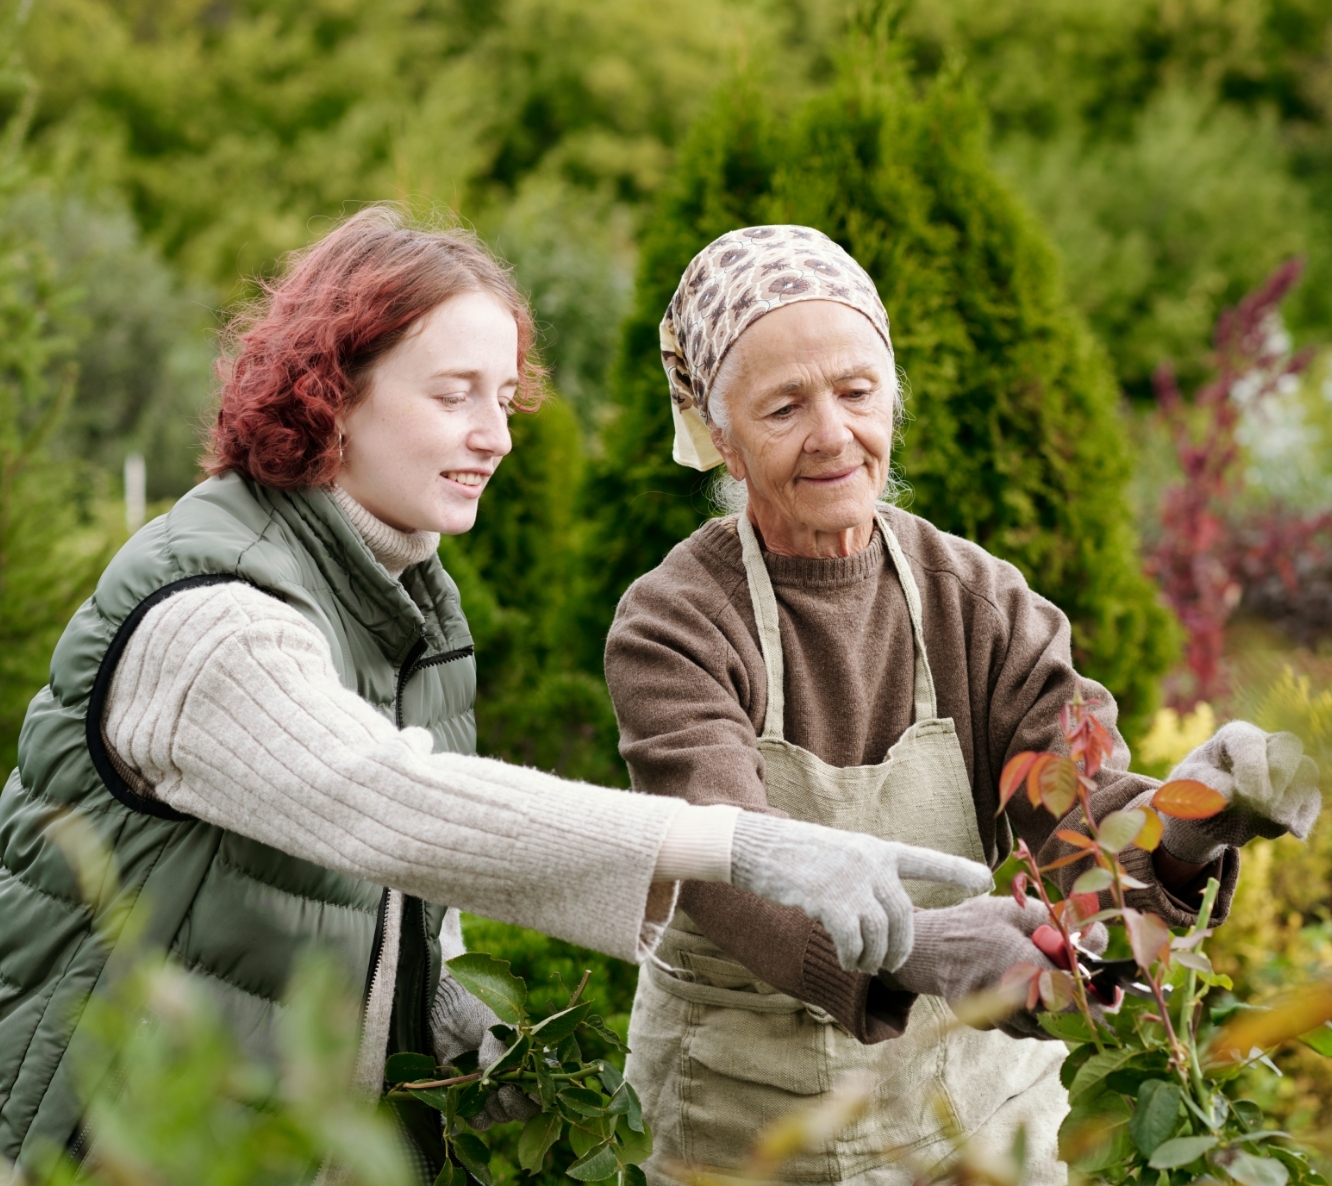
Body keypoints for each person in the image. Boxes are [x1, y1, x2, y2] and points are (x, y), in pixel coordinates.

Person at [0, 209, 995, 1180]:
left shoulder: (406, 609)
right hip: (102, 1144)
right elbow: (390, 804)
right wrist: (742, 842)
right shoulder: (214, 615)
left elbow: (413, 911)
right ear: (331, 391)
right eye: (454, 396)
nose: (497, 437)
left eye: (504, 398)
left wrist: (483, 1048)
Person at [604, 225, 1322, 1184]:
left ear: (892, 395)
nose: (833, 433)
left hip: (972, 1115)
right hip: (746, 1117)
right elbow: (728, 859)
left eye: (857, 392)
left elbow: (1076, 824)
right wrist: (924, 944)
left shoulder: (977, 599)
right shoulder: (677, 622)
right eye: (784, 407)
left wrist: (1192, 819)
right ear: (722, 437)